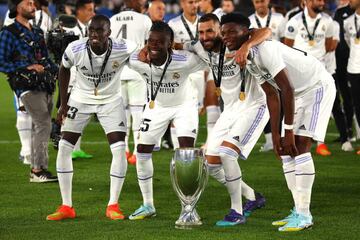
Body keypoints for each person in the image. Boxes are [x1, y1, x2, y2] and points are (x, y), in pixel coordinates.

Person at [226, 12, 336, 231]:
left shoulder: (264, 49)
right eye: (224, 33)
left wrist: (287, 131)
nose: (227, 37)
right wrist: (276, 135)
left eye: (231, 32)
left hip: (317, 87)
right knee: (286, 151)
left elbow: (286, 88)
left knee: (301, 146)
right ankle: (298, 209)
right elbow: (271, 95)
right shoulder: (247, 58)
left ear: (246, 33)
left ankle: (305, 216)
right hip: (298, 95)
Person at [46, 15, 138, 221]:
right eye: (91, 30)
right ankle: (66, 206)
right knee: (64, 147)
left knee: (119, 148)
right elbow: (63, 69)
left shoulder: (124, 47)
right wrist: (63, 103)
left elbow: (143, 56)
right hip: (80, 99)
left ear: (109, 32)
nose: (94, 34)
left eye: (99, 30)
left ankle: (113, 205)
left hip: (111, 101)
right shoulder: (75, 49)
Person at [189, 13, 271, 226]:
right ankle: (253, 197)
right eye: (201, 32)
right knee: (211, 161)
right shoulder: (201, 47)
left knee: (227, 153)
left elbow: (266, 31)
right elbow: (177, 44)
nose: (205, 36)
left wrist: (246, 47)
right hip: (231, 110)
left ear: (220, 31)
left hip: (254, 105)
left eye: (210, 31)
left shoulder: (236, 41)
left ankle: (237, 212)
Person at [127, 21, 208, 220]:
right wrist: (142, 49)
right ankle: (147, 205)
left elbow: (207, 57)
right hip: (156, 107)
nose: (154, 46)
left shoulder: (185, 60)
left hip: (184, 107)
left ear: (169, 43)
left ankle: (188, 207)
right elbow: (127, 57)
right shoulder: (139, 60)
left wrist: (185, 45)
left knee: (186, 153)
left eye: (159, 42)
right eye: (150, 42)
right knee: (142, 151)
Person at [0, 0, 58, 182]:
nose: (34, 6)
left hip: (44, 83)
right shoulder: (8, 33)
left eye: (34, 3)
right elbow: (1, 61)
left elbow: (45, 58)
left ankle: (38, 168)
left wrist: (58, 70)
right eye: (28, 3)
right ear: (18, 7)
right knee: (43, 124)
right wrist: (28, 67)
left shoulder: (37, 32)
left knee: (40, 125)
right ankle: (37, 170)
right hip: (25, 85)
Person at [284, 0, 335, 156]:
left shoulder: (328, 21)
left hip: (320, 73)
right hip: (300, 75)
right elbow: (287, 47)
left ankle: (320, 143)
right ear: (305, 2)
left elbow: (328, 45)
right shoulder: (294, 21)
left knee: (321, 109)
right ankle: (292, 139)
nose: (321, 2)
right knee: (298, 108)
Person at [169, 0, 221, 149]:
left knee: (209, 102)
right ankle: (177, 146)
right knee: (180, 108)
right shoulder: (173, 24)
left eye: (196, 2)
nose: (194, 5)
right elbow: (172, 48)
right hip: (184, 72)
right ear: (182, 4)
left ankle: (210, 143)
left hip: (206, 67)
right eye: (190, 2)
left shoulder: (204, 22)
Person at [110, 0, 152, 165]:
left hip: (118, 71)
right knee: (137, 112)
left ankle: (124, 149)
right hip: (137, 70)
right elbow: (150, 44)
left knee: (122, 112)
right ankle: (136, 152)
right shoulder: (144, 19)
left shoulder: (113, 20)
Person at [248, 0, 285, 152]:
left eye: (263, 1)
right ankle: (270, 139)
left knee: (282, 100)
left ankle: (282, 134)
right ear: (253, 3)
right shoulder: (249, 20)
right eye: (257, 1)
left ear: (268, 1)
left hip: (278, 65)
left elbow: (286, 41)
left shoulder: (280, 19)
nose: (260, 4)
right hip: (259, 66)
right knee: (265, 101)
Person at [61, 0, 95, 160]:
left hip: (83, 78)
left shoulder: (87, 28)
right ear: (79, 11)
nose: (92, 13)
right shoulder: (69, 29)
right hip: (71, 76)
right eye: (89, 10)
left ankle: (77, 148)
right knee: (69, 111)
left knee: (79, 112)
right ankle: (67, 148)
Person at [334, 0, 356, 142]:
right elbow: (341, 38)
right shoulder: (340, 13)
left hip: (353, 61)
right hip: (341, 61)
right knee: (344, 96)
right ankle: (347, 130)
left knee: (352, 97)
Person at [344, 0, 360, 155]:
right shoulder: (348, 21)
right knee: (358, 106)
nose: (350, 1)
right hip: (354, 69)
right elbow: (350, 42)